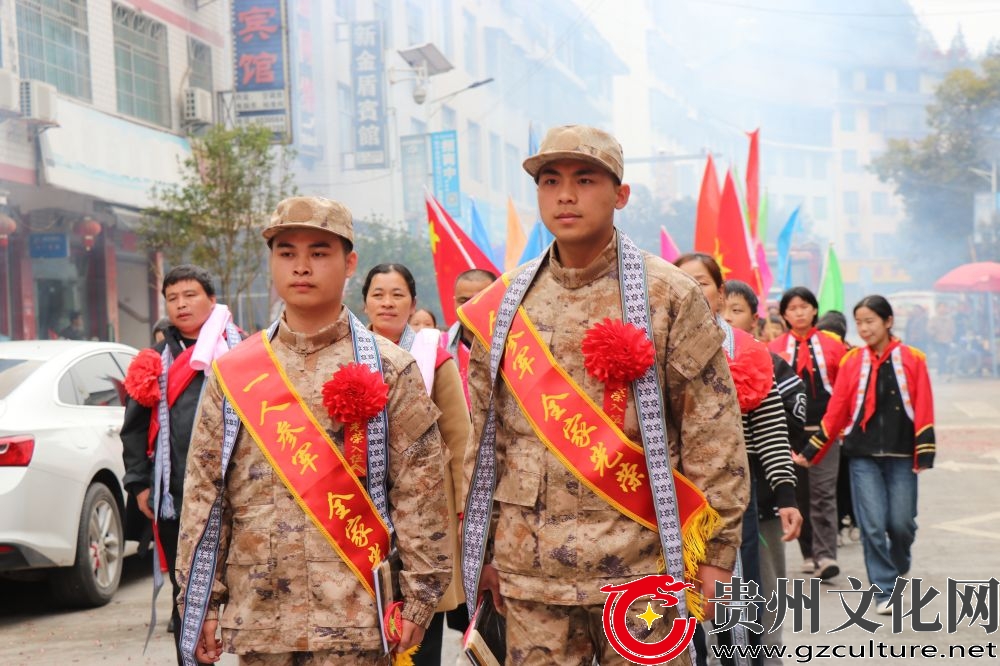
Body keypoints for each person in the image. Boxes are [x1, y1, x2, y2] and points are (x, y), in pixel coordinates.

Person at [459, 125, 749, 666]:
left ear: (620, 195)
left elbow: (713, 434)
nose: (565, 195)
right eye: (550, 180)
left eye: (584, 179)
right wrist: (485, 552)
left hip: (642, 565)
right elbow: (484, 438)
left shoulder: (668, 295)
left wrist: (716, 555)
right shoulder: (504, 305)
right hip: (532, 570)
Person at [175, 197, 452, 665]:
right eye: (287, 252)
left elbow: (420, 494)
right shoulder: (235, 373)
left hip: (359, 618)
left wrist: (421, 599)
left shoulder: (390, 369)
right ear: (272, 263)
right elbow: (206, 492)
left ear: (349, 263)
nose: (301, 266)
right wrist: (200, 599)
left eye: (319, 252)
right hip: (261, 618)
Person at [676, 256, 800, 666]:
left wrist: (786, 496)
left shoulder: (747, 352)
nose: (693, 291)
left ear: (720, 293)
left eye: (702, 283)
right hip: (677, 497)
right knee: (686, 596)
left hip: (746, 496)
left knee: (754, 589)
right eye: (683, 283)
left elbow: (771, 434)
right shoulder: (654, 348)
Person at [120, 265, 242, 665]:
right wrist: (139, 484)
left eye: (190, 295)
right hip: (176, 498)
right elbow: (134, 430)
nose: (181, 304)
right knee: (187, 592)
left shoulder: (243, 351)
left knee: (249, 588)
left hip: (241, 497)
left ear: (211, 298)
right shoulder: (153, 361)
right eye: (173, 298)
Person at [793, 295, 934, 615]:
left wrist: (923, 451)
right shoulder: (851, 361)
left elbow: (924, 404)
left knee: (901, 525)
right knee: (871, 525)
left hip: (900, 454)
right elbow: (838, 409)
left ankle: (898, 570)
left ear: (888, 322)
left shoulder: (913, 359)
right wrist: (813, 449)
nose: (864, 328)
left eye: (870, 321)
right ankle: (885, 589)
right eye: (859, 322)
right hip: (862, 456)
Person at [361, 263, 471, 666]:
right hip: (362, 506)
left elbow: (460, 441)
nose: (387, 303)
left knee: (420, 618)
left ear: (412, 302)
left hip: (426, 510)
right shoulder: (347, 355)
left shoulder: (432, 356)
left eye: (397, 294)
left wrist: (462, 513)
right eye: (378, 294)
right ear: (364, 302)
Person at [723, 279, 806, 666]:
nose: (725, 315)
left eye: (734, 308)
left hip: (757, 493)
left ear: (754, 318)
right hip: (689, 499)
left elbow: (777, 430)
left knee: (764, 589)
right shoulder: (672, 356)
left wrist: (785, 493)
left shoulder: (764, 362)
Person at [768, 287, 847, 581]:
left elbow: (845, 389)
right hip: (787, 434)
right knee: (798, 494)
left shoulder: (835, 345)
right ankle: (809, 552)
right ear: (785, 315)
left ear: (814, 310)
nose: (799, 312)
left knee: (824, 494)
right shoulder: (773, 348)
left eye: (805, 306)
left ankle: (826, 555)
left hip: (826, 432)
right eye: (793, 308)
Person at [444, 269, 497, 400]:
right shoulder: (438, 347)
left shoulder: (515, 346)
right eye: (463, 300)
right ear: (454, 302)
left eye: (480, 299)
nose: (471, 307)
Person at [928, 301, 955, 375]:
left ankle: (942, 370)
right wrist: (933, 333)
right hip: (937, 341)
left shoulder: (949, 319)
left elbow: (953, 330)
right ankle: (942, 371)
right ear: (937, 309)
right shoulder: (934, 319)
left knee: (945, 356)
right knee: (941, 355)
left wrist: (951, 336)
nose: (942, 309)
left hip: (947, 341)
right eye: (941, 307)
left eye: (944, 307)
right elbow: (929, 329)